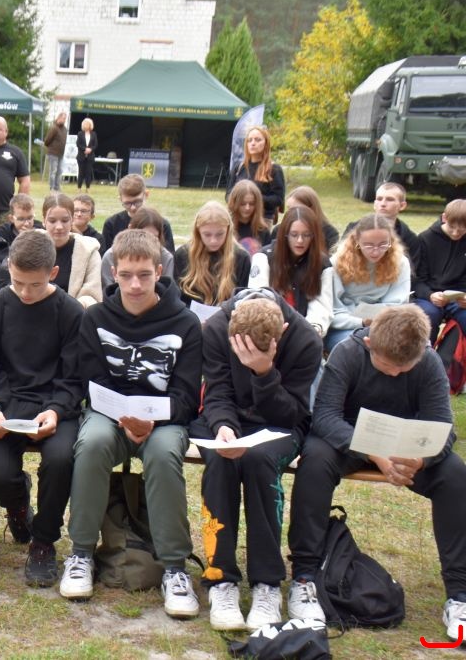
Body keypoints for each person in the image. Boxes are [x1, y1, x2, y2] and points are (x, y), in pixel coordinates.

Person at [287, 305, 466, 642]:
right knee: (314, 459)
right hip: (350, 442)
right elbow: (324, 417)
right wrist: (373, 453)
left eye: (404, 368)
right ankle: (305, 576)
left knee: (455, 475)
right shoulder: (348, 352)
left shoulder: (428, 362)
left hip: (406, 450)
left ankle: (460, 594)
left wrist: (420, 461)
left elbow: (443, 428)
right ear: (370, 343)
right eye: (387, 366)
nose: (395, 374)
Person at [60, 229, 203, 620]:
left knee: (163, 454)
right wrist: (123, 417)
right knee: (92, 444)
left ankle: (174, 567)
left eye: (144, 275)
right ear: (113, 273)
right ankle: (81, 553)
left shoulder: (186, 323)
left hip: (165, 420)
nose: (135, 284)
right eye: (126, 275)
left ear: (159, 270)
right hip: (110, 414)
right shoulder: (96, 318)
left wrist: (150, 420)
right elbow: (92, 381)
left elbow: (187, 395)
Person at [192, 290, 321, 631]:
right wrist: (224, 427)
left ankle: (267, 583)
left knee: (260, 461)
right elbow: (217, 391)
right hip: (227, 419)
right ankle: (221, 579)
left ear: (283, 333)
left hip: (281, 423)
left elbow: (292, 413)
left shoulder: (305, 339)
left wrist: (264, 372)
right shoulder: (217, 327)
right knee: (220, 460)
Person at [0, 230, 84, 586]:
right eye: (18, 282)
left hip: (54, 406)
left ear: (53, 273)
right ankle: (19, 503)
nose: (25, 292)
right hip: (6, 404)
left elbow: (73, 376)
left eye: (35, 285)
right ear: (8, 267)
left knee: (61, 459)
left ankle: (43, 542)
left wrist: (55, 410)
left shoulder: (70, 312)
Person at [327, 214, 410, 352]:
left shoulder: (400, 262)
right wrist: (361, 322)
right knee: (359, 348)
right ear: (357, 241)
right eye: (369, 245)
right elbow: (331, 310)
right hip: (345, 326)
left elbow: (398, 304)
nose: (376, 251)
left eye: (383, 245)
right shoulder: (337, 263)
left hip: (384, 325)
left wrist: (378, 319)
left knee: (412, 346)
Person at [249, 206, 333, 338]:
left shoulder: (322, 264)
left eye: (306, 235)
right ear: (285, 234)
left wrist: (312, 329)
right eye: (294, 235)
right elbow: (258, 298)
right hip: (269, 329)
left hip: (305, 331)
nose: (300, 240)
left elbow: (321, 305)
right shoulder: (263, 258)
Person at [174, 201, 251, 308]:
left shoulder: (241, 258)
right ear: (198, 232)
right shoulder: (183, 255)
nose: (213, 241)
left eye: (220, 234)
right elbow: (177, 297)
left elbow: (242, 299)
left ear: (228, 230)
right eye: (207, 235)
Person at [413, 199, 466, 344]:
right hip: (428, 296)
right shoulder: (425, 239)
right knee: (428, 316)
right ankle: (424, 355)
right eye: (452, 227)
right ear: (444, 218)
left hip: (459, 298)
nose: (456, 233)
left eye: (462, 230)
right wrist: (430, 295)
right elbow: (416, 279)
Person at [43, 192, 102, 308]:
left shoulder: (88, 251)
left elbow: (93, 296)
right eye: (52, 221)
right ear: (44, 221)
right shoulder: (31, 246)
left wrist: (71, 309)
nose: (59, 227)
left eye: (65, 220)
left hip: (74, 314)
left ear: (72, 220)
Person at [343, 182, 420, 266]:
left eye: (390, 199)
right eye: (379, 199)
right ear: (374, 204)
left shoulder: (410, 240)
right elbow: (342, 261)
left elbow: (413, 270)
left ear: (402, 206)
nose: (383, 204)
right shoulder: (353, 230)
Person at [101, 207, 174, 294]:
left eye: (153, 237)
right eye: (142, 235)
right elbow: (108, 290)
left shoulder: (166, 257)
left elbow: (166, 290)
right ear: (130, 228)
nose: (148, 242)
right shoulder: (111, 255)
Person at [102, 174, 175, 254]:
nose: (133, 208)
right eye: (127, 203)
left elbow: (168, 257)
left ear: (146, 195)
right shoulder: (111, 224)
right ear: (120, 199)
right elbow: (107, 257)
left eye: (137, 202)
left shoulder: (162, 224)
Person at [225, 126, 285, 224]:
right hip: (238, 220)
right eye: (249, 140)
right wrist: (237, 200)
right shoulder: (239, 167)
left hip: (262, 220)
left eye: (258, 140)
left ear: (266, 143)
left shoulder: (274, 169)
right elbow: (228, 195)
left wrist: (254, 198)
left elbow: (278, 199)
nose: (253, 143)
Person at [282, 186, 339, 253]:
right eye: (289, 208)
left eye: (296, 209)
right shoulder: (280, 230)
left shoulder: (329, 233)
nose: (291, 213)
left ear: (311, 209)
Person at [228, 179, 271, 255]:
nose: (247, 208)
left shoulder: (263, 230)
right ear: (234, 203)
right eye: (242, 204)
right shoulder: (227, 227)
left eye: (251, 204)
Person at [43, 111, 68, 191]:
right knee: (53, 171)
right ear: (59, 118)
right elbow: (47, 140)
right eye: (63, 118)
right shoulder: (54, 128)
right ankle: (52, 187)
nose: (64, 120)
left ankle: (57, 187)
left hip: (61, 154)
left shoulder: (65, 129)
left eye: (65, 119)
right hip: (53, 153)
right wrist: (50, 147)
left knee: (59, 171)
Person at [75, 118, 97, 192]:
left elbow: (95, 144)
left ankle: (88, 188)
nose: (86, 125)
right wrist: (85, 149)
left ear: (90, 125)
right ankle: (79, 188)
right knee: (81, 172)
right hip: (81, 156)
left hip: (90, 157)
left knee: (88, 172)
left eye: (87, 124)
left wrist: (90, 149)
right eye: (85, 124)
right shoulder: (80, 134)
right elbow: (78, 144)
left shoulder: (93, 134)